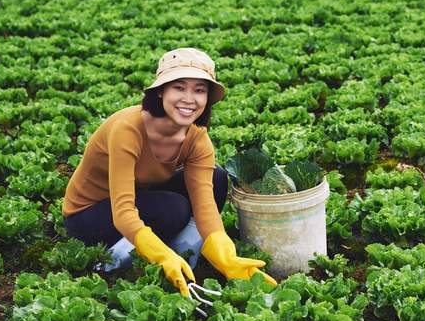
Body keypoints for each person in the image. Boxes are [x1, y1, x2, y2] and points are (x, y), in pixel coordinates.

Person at [62, 48, 276, 296]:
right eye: (179, 87)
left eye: (199, 90)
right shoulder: (127, 130)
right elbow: (123, 210)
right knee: (173, 209)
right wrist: (159, 254)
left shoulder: (196, 138)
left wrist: (226, 256)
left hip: (144, 195)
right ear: (161, 91)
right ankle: (114, 261)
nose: (189, 99)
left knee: (216, 179)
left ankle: (181, 257)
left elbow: (205, 205)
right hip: (90, 213)